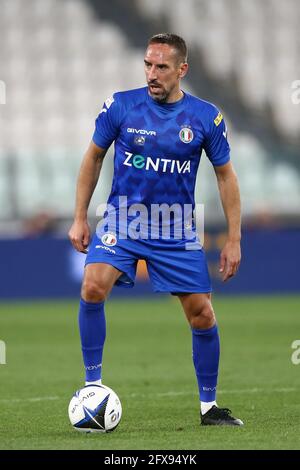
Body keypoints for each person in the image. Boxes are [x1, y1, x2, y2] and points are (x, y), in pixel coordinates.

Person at [69, 33, 243, 426]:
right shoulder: (121, 106)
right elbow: (93, 157)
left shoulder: (205, 117)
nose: (152, 73)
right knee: (92, 285)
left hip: (175, 227)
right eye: (148, 64)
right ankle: (92, 386)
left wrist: (233, 238)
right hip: (122, 220)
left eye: (161, 66)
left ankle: (209, 408)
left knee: (201, 314)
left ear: (182, 70)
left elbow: (226, 177)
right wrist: (80, 216)